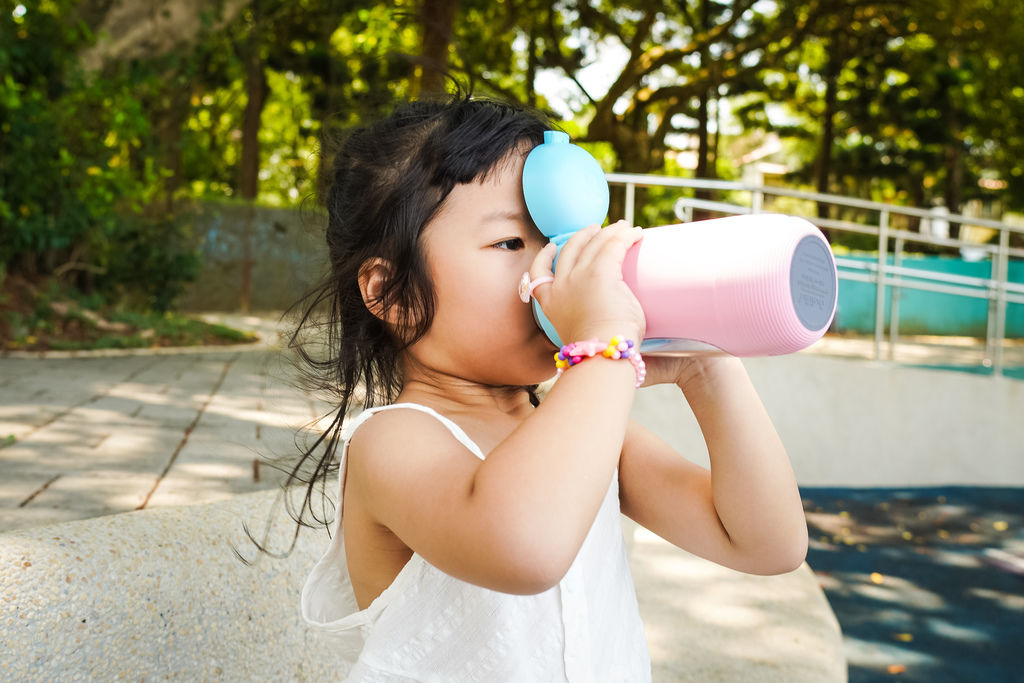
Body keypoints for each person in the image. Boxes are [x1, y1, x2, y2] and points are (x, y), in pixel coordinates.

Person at [287, 93, 808, 681]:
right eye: (512, 243)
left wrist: (705, 363)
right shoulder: (391, 442)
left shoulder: (580, 431)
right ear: (394, 295)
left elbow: (767, 544)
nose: (554, 268)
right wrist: (605, 341)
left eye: (564, 239)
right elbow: (525, 549)